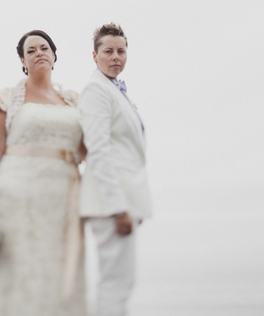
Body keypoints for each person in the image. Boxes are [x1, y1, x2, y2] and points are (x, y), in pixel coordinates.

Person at [0, 30, 87, 316]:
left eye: (45, 48)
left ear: (54, 56)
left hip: (63, 195)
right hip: (17, 193)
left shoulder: (74, 102)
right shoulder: (6, 98)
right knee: (20, 267)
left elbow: (88, 150)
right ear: (23, 60)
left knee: (58, 267)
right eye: (31, 50)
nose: (39, 52)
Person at [79, 23, 153, 316]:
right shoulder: (96, 90)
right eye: (108, 51)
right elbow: (97, 150)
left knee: (123, 281)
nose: (115, 57)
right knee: (116, 282)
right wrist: (118, 207)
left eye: (121, 51)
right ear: (94, 55)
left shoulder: (115, 90)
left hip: (123, 201)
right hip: (110, 202)